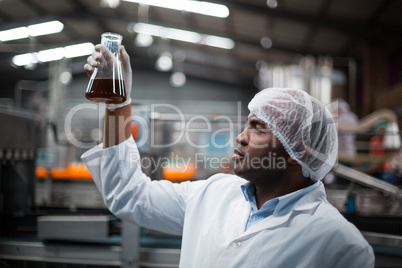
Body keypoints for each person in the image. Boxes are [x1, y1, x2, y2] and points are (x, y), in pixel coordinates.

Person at [82, 45, 374, 267]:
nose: (240, 136)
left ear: (297, 152)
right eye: (247, 124)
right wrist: (116, 106)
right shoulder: (214, 192)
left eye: (257, 128)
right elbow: (130, 196)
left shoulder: (341, 244)